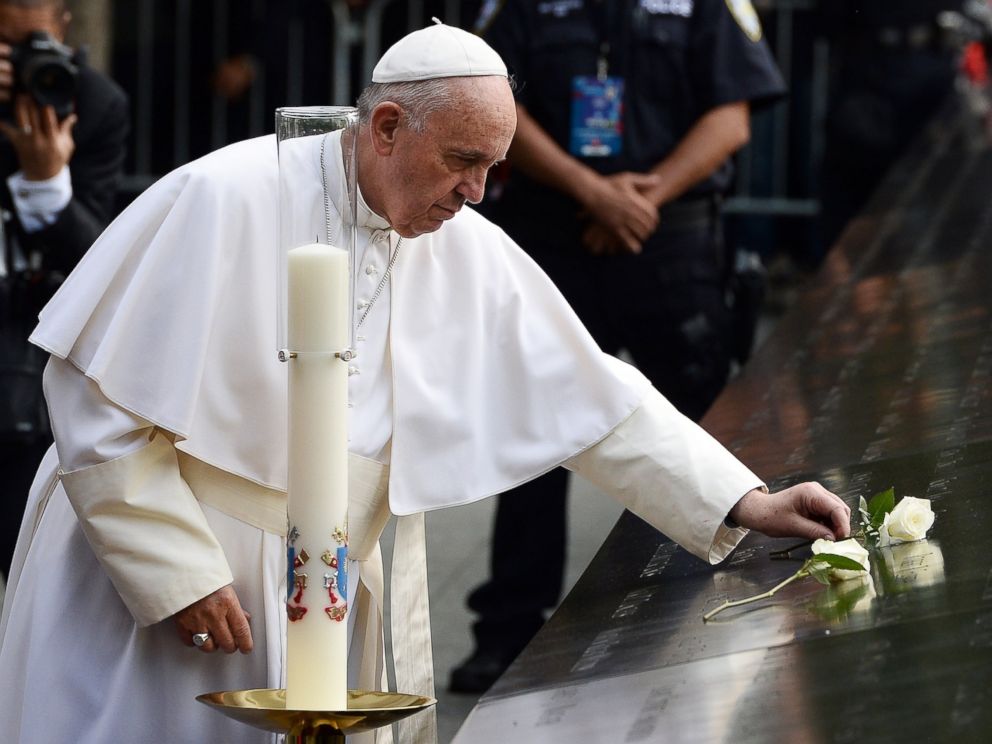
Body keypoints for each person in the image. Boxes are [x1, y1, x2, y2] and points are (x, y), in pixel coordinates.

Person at [0, 22, 849, 744]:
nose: (474, 194)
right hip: (177, 567)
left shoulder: (456, 234)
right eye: (462, 161)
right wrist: (176, 571)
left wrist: (744, 500)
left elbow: (593, 398)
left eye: (492, 170)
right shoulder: (221, 195)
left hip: (323, 590)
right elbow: (91, 393)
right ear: (388, 126)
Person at [451, 0, 788, 692]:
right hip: (555, 239)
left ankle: (696, 614)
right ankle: (508, 630)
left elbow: (731, 117)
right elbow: (486, 103)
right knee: (532, 440)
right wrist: (592, 192)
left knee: (705, 429)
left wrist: (642, 199)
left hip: (670, 243)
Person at [0, 0, 127, 578]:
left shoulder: (94, 104)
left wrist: (47, 182)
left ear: (64, 30)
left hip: (30, 375)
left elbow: (94, 265)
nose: (27, 69)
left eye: (37, 49)